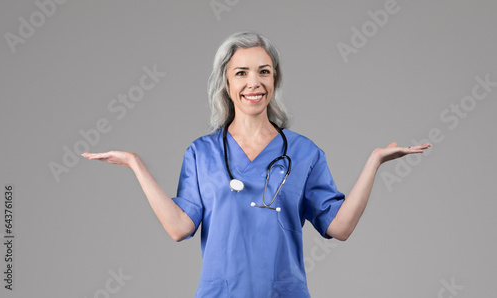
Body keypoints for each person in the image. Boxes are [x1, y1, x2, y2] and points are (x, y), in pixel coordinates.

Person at [83, 31, 431, 297]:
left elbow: (339, 227)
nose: (254, 83)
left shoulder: (304, 153)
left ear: (274, 79)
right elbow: (179, 228)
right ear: (226, 82)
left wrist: (373, 163)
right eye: (241, 73)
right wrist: (136, 165)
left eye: (263, 72)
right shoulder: (201, 153)